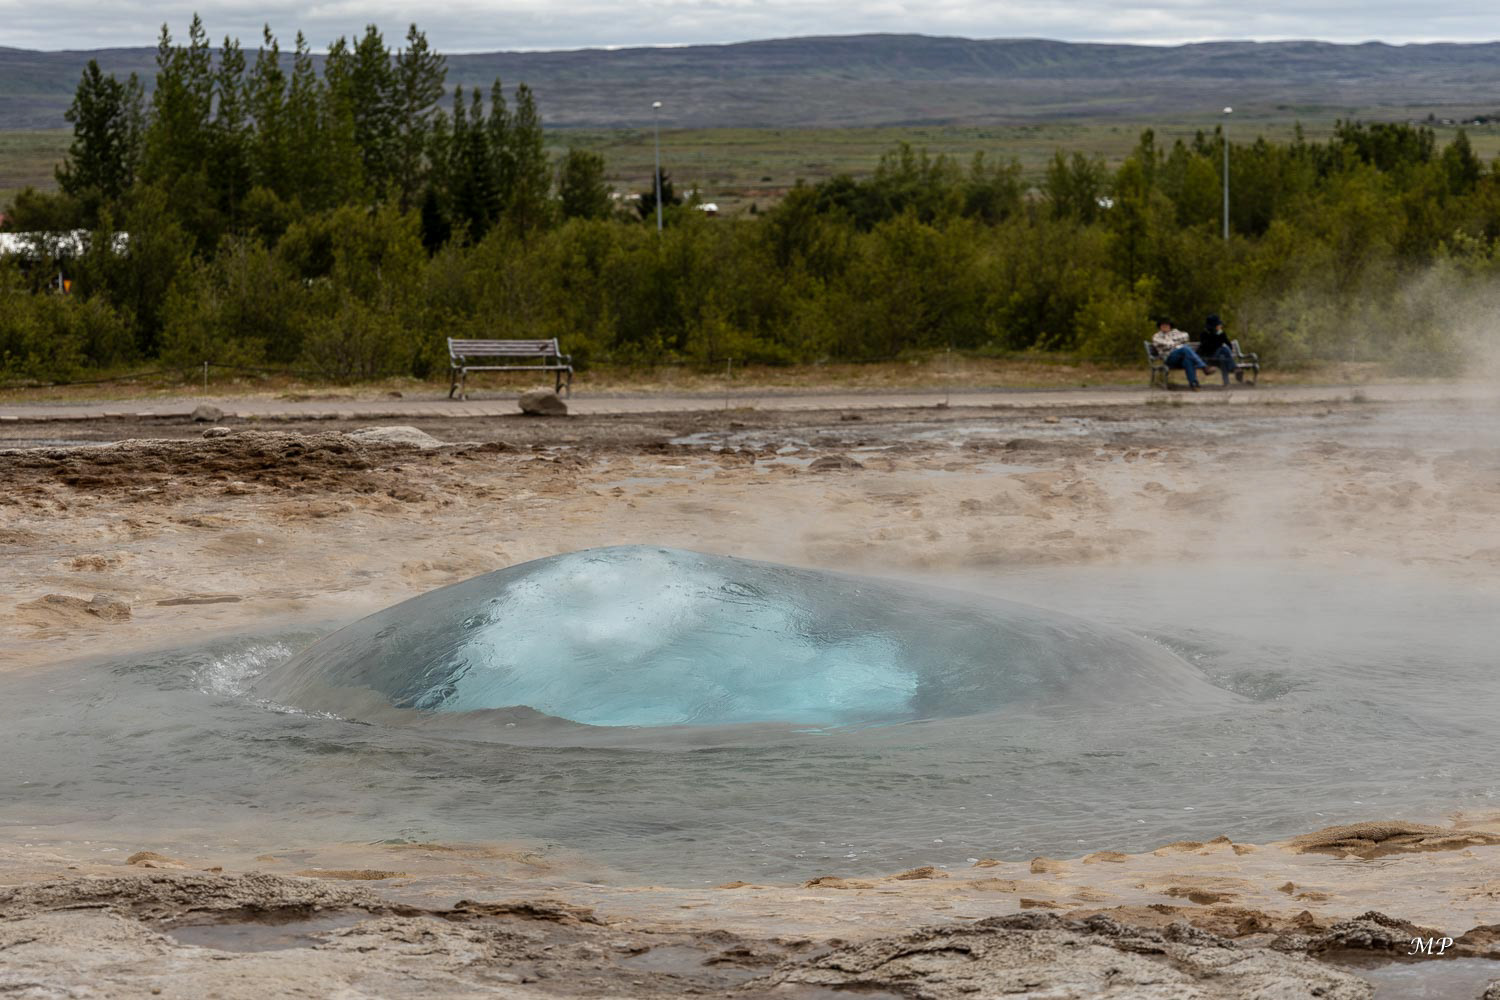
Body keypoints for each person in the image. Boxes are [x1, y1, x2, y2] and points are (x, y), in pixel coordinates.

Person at [1151, 319, 1209, 390]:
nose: (1165, 326)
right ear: (1160, 326)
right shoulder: (1156, 336)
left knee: (1188, 360)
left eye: (1167, 324)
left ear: (1170, 326)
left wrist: (1173, 341)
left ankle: (1194, 384)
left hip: (1181, 358)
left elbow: (1186, 336)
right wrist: (1176, 343)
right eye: (1163, 325)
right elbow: (1164, 343)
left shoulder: (1175, 332)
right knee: (1185, 348)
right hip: (1169, 358)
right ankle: (1204, 367)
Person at [1198, 314, 1238, 386]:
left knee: (1223, 356)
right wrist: (1218, 338)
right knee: (1223, 349)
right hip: (1208, 358)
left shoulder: (1220, 333)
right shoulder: (1205, 334)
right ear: (1213, 326)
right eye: (1218, 324)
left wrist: (1221, 334)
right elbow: (1208, 348)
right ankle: (1233, 368)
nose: (1220, 326)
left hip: (1218, 357)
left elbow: (1228, 344)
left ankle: (1226, 382)